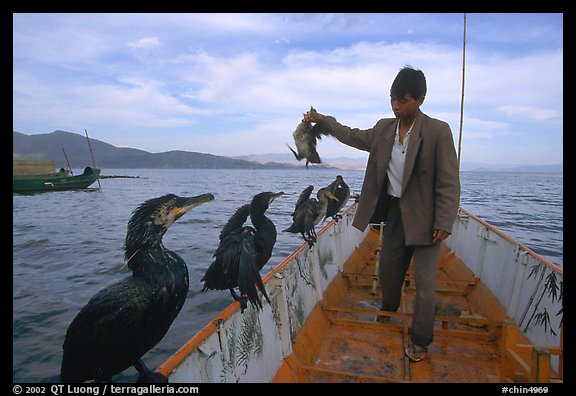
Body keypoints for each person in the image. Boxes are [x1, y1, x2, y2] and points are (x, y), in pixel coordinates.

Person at [305, 65, 460, 362]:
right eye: (393, 99)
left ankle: (420, 341)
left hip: (428, 221)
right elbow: (349, 135)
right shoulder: (383, 129)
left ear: (420, 99)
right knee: (389, 274)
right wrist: (323, 120)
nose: (396, 106)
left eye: (403, 100)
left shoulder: (438, 131)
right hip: (396, 215)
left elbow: (449, 181)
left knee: (426, 287)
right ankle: (390, 307)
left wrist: (445, 220)